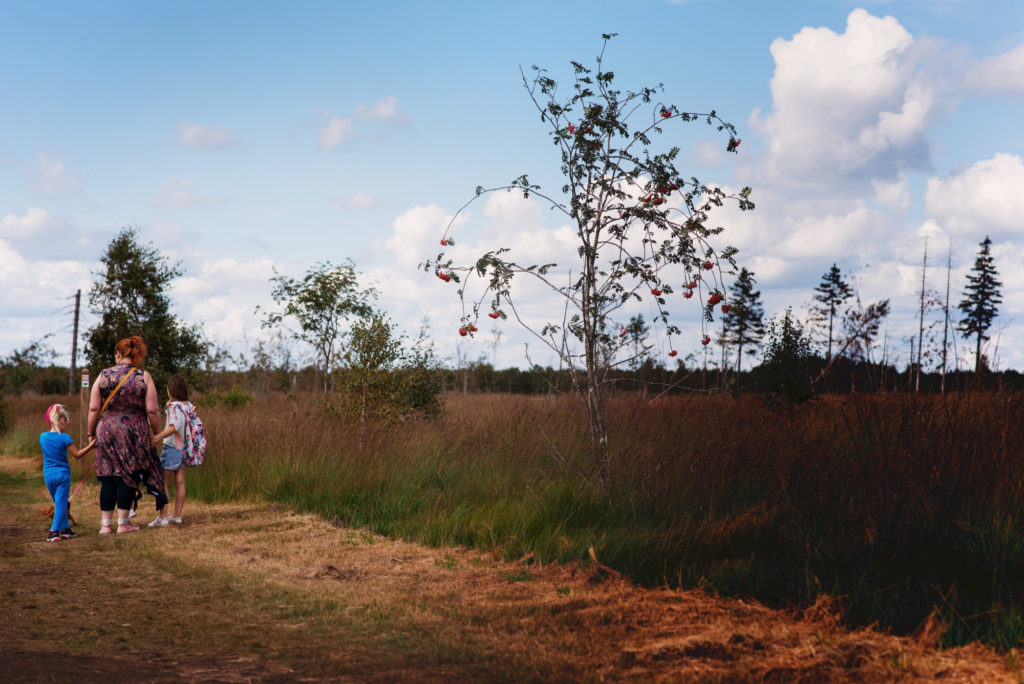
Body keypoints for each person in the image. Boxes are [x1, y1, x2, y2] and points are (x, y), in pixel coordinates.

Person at [86, 336, 168, 535]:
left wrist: (90, 433)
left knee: (107, 476)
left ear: (118, 354)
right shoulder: (143, 376)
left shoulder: (103, 376)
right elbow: (152, 410)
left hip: (106, 429)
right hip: (133, 432)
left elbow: (94, 408)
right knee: (126, 476)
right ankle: (123, 523)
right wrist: (157, 433)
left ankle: (106, 525)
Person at [40, 404, 95, 541]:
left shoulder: (43, 437)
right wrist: (91, 446)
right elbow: (77, 455)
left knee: (59, 502)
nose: (67, 425)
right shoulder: (65, 438)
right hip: (62, 475)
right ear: (62, 420)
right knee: (61, 504)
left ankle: (65, 530)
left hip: (48, 475)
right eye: (66, 422)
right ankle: (53, 531)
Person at [149, 374, 195, 526]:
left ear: (171, 390)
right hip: (184, 448)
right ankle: (176, 516)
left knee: (163, 482)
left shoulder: (174, 407)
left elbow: (174, 426)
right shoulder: (188, 405)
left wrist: (157, 437)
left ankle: (163, 517)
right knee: (180, 482)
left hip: (172, 448)